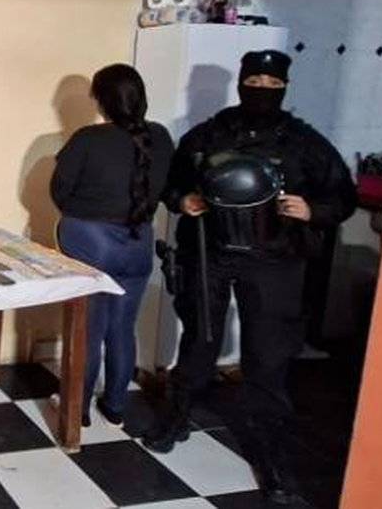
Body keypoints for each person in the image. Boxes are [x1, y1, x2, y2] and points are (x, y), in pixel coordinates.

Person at [143, 50, 356, 505]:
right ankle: (177, 416)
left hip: (274, 261)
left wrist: (313, 210)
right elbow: (171, 185)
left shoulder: (303, 142)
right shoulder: (208, 134)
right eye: (254, 81)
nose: (262, 89)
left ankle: (271, 452)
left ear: (284, 87)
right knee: (199, 340)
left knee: (267, 356)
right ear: (241, 83)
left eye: (272, 83)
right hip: (210, 253)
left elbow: (343, 196)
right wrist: (182, 201)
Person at [50, 64, 174, 426]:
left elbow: (60, 192)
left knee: (88, 329)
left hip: (90, 241)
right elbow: (163, 188)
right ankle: (116, 406)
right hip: (139, 241)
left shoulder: (87, 139)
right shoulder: (160, 137)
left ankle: (77, 411)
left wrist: (83, 216)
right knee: (122, 326)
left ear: (102, 101)